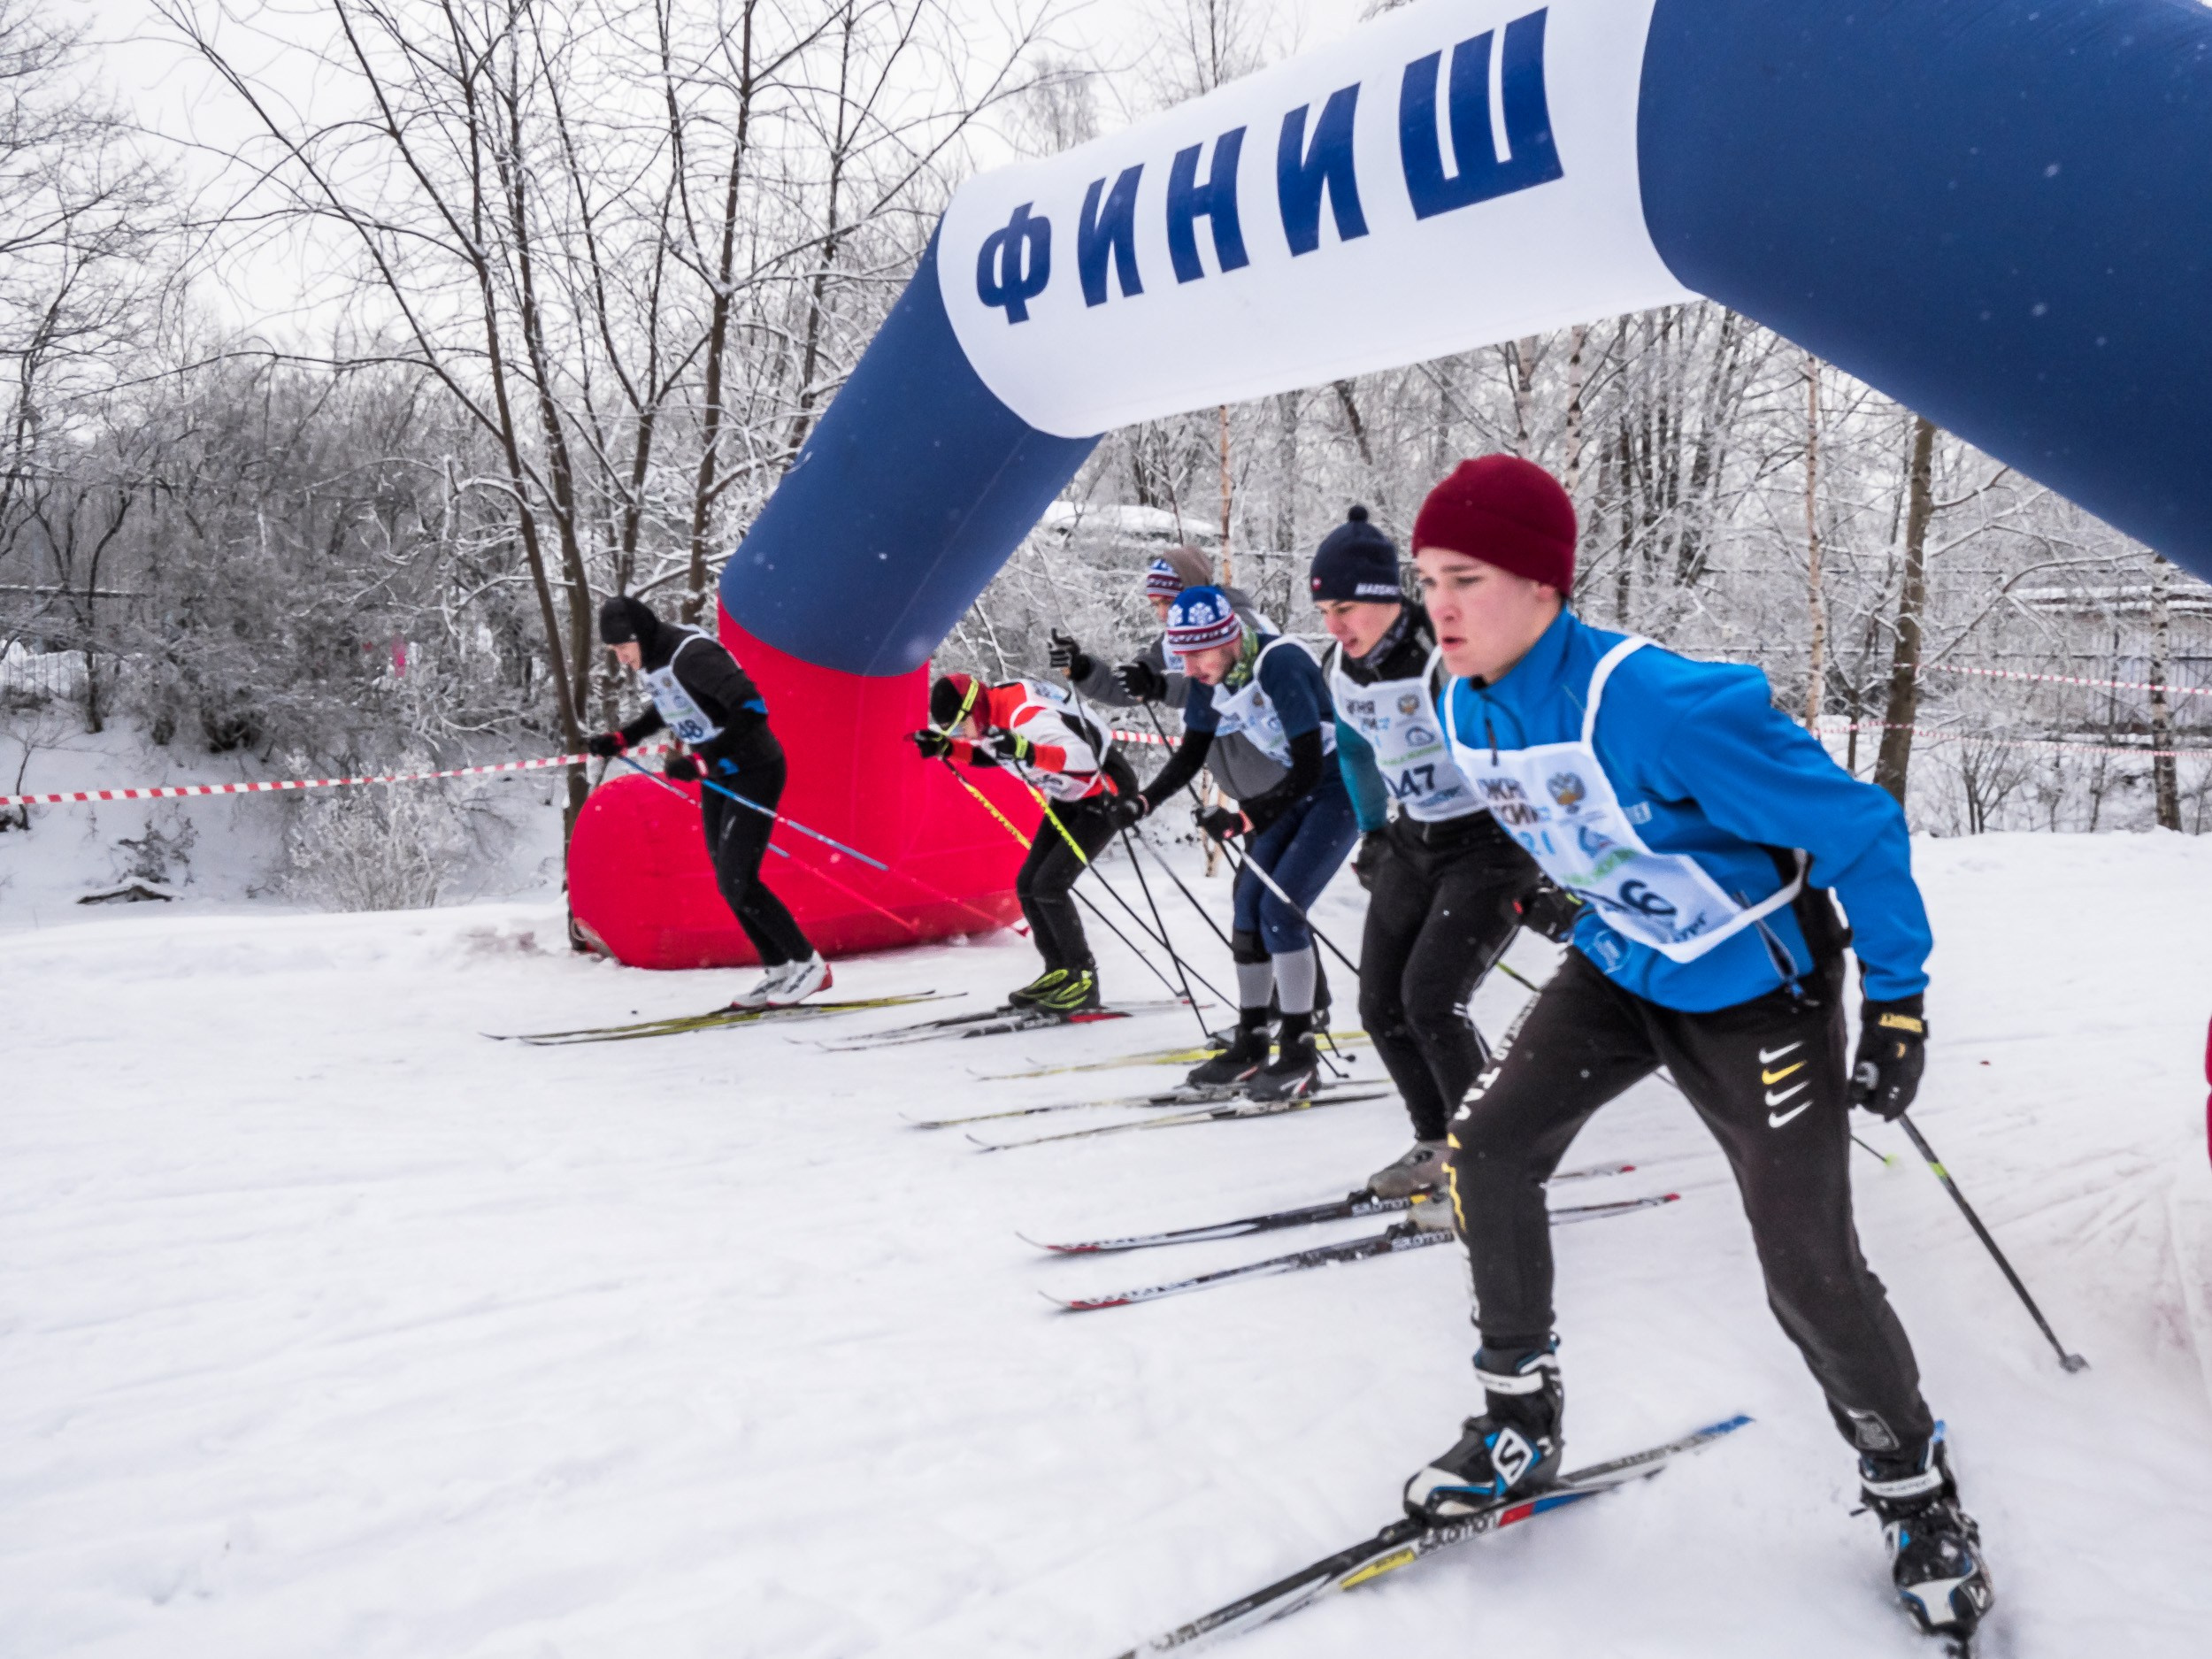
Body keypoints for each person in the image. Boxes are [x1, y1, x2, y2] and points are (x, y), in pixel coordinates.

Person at [1394, 457, 1990, 1645]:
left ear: (1544, 585)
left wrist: (1900, 1001)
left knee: (1806, 1264)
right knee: (1487, 1151)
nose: (1439, 606)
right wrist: (1569, 889)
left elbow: (1860, 827)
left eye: (1465, 578)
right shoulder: (1458, 697)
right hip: (1624, 969)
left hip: (1759, 994)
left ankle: (1914, 1491)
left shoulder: (1663, 704)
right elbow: (1567, 816)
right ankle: (1519, 1419)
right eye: (1427, 580)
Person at [1310, 504, 1571, 1199]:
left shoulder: (1445, 655)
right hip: (1415, 835)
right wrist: (1373, 830)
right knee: (1379, 1006)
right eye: (1324, 611)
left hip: (1491, 839)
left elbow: (1525, 757)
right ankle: (1437, 1142)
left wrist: (1550, 867)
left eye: (1345, 608)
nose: (1334, 626)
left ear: (1387, 598)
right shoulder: (1342, 666)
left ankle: (1490, 1164)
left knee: (1431, 1004)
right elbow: (1357, 750)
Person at [1120, 585, 1359, 1100]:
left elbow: (1310, 766)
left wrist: (1245, 817)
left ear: (1227, 639)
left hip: (1339, 788)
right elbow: (1190, 754)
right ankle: (1252, 1043)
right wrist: (1143, 801)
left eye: (1196, 655)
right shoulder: (1213, 677)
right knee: (1248, 906)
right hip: (1293, 788)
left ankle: (1299, 1052)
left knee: (1281, 910)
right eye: (1180, 656)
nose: (1188, 669)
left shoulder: (1281, 663)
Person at [586, 595, 828, 1008]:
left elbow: (751, 707)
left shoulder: (692, 654)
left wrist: (704, 759)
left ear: (640, 635)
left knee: (740, 879)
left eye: (623, 647)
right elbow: (670, 706)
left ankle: (809, 964)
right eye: (614, 651)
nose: (621, 658)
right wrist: (625, 737)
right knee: (728, 882)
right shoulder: (656, 662)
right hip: (720, 774)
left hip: (755, 768)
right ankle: (779, 968)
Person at [912, 672, 1139, 1014]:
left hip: (1107, 790)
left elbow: (1084, 760)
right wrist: (948, 749)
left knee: (1050, 885)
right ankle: (1060, 970)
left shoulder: (1026, 718)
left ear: (974, 709)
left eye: (959, 728)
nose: (964, 735)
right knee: (1028, 884)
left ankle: (1083, 979)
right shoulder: (991, 713)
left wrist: (1027, 751)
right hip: (1073, 793)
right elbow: (996, 755)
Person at [1048, 543, 1271, 710]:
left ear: (1193, 591)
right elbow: (1128, 686)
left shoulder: (1242, 625)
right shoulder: (1170, 643)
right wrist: (1082, 668)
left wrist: (1159, 686)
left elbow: (1225, 682)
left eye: (1169, 601)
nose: (1162, 614)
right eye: (1155, 604)